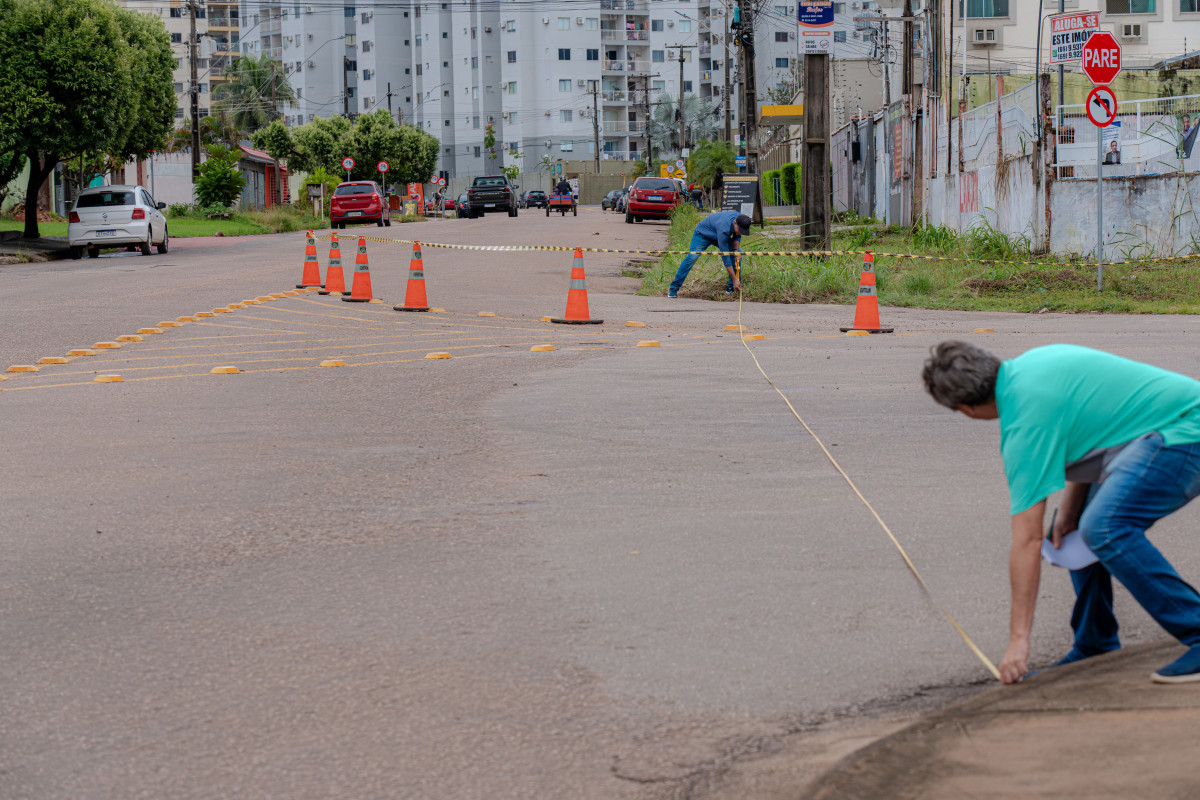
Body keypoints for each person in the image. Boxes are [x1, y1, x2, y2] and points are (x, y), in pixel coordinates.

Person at [922, 341, 1200, 685]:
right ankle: (1095, 643)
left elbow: (1027, 541)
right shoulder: (1034, 366)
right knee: (1076, 527)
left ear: (966, 408)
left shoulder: (1025, 426)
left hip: (1186, 432)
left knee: (1104, 528)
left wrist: (1018, 640)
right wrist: (1069, 510)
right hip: (1163, 429)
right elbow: (1095, 433)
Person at [667, 211, 751, 298]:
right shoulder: (724, 228)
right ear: (735, 223)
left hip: (718, 233)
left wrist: (736, 250)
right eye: (740, 230)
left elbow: (737, 235)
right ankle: (673, 288)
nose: (741, 232)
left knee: (737, 255)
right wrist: (735, 279)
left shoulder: (741, 219)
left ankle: (731, 289)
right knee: (692, 257)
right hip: (702, 234)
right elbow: (725, 257)